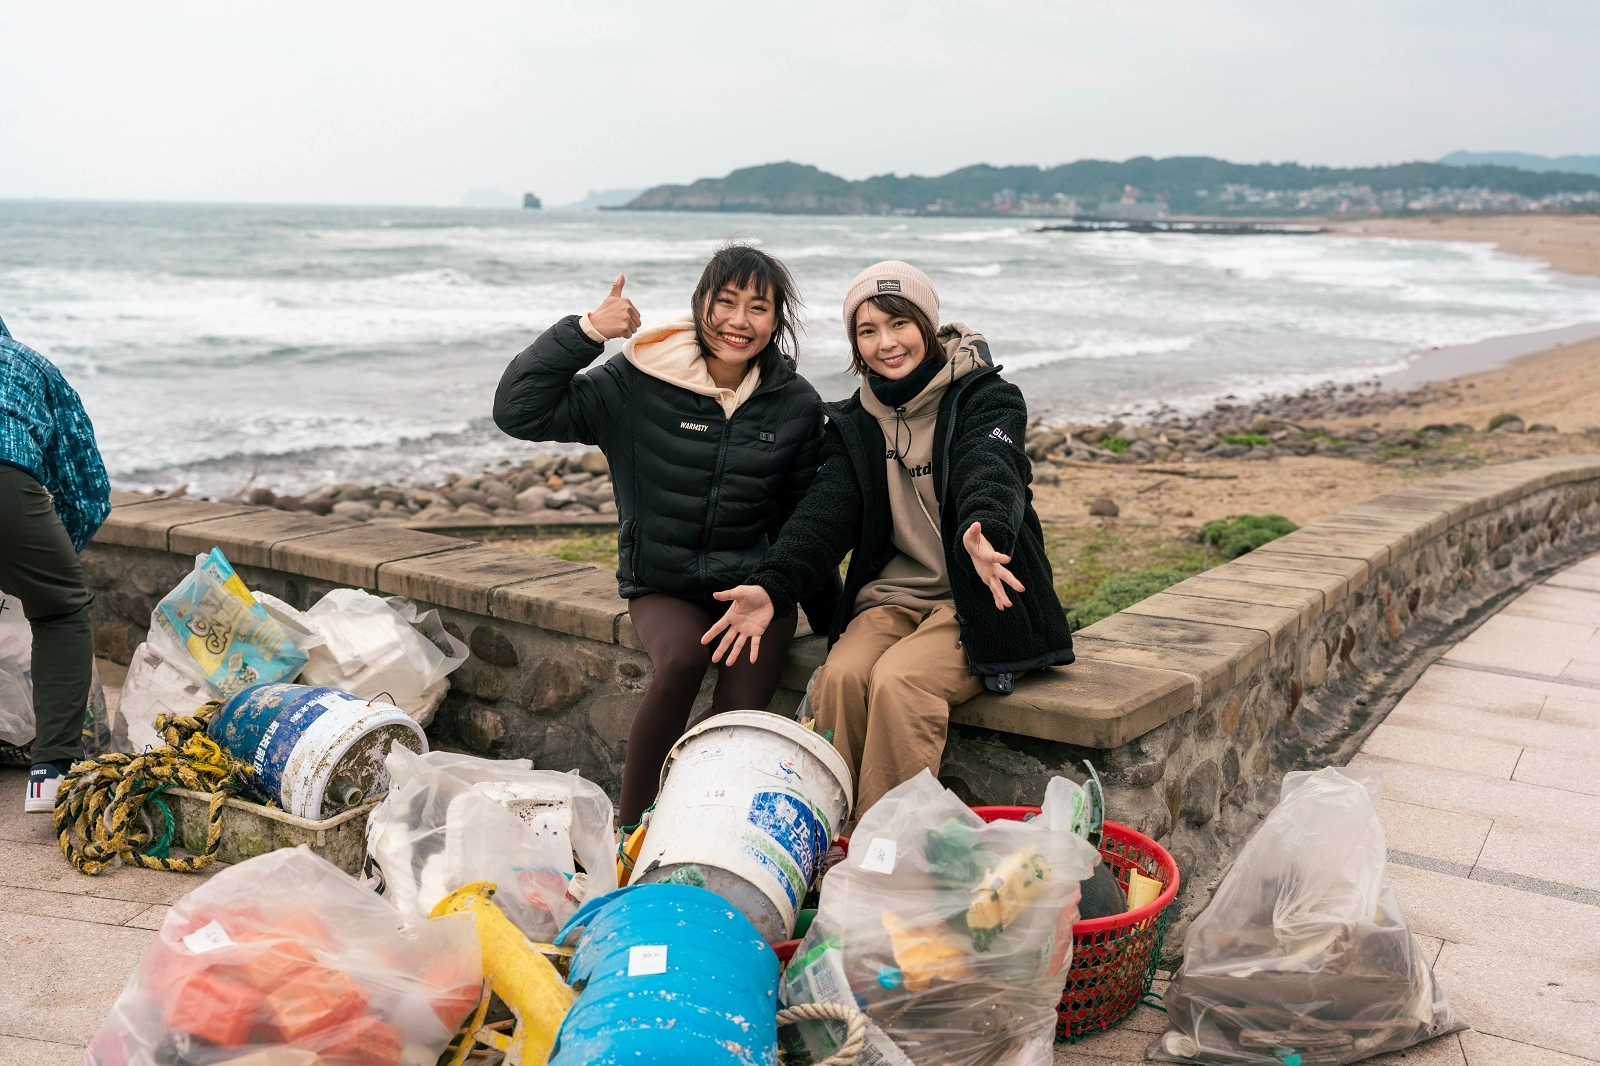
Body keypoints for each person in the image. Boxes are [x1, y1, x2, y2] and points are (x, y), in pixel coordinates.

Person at [703, 261, 1073, 819]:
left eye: (899, 324)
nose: (886, 343)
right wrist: (773, 587)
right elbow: (824, 517)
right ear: (854, 343)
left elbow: (991, 465)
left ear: (926, 324)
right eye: (867, 330)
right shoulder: (855, 421)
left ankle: (885, 852)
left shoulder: (987, 397)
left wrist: (984, 527)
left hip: (976, 595)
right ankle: (820, 837)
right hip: (894, 598)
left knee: (900, 683)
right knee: (843, 678)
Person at [493, 244, 837, 828]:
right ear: (700, 303)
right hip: (663, 582)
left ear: (776, 321)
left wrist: (830, 620)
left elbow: (802, 520)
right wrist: (584, 332)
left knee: (739, 723)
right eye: (724, 302)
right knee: (680, 659)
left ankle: (704, 831)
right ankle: (632, 831)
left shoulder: (794, 403)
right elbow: (518, 411)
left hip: (757, 592)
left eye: (758, 308)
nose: (737, 321)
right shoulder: (637, 380)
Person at [0, 313, 112, 812]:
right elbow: (88, 491)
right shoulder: (29, 365)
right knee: (60, 612)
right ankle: (50, 776)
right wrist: (42, 568)